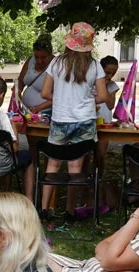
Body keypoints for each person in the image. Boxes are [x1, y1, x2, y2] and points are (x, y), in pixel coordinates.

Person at [39, 22, 111, 222]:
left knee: (52, 165)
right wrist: (87, 99)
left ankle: (44, 210)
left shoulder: (56, 63)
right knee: (75, 168)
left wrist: (62, 98)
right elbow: (104, 96)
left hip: (60, 119)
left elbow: (45, 93)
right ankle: (70, 211)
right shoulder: (95, 65)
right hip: (85, 120)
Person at [94, 55, 121, 212]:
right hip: (92, 120)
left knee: (101, 153)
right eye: (107, 72)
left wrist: (106, 85)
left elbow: (110, 105)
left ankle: (100, 177)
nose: (109, 76)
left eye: (113, 73)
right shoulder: (93, 81)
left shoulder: (112, 86)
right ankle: (89, 179)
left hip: (105, 121)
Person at [16, 33, 56, 116]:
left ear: (50, 54)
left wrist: (39, 107)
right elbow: (21, 80)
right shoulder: (30, 60)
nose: (39, 61)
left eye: (43, 57)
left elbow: (60, 96)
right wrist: (18, 91)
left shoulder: (57, 65)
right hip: (26, 111)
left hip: (45, 113)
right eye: (36, 57)